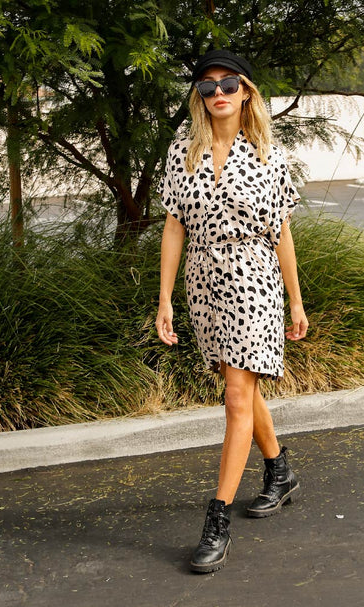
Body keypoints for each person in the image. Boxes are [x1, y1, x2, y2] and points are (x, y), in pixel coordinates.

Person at [155, 49, 308, 574]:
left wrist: (295, 298)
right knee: (239, 383)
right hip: (203, 281)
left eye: (227, 84)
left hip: (255, 279)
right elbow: (174, 225)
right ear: (199, 97)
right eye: (207, 86)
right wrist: (165, 297)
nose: (217, 93)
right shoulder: (183, 153)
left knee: (237, 394)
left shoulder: (270, 155)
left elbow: (282, 232)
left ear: (246, 91)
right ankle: (280, 471)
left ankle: (216, 520)